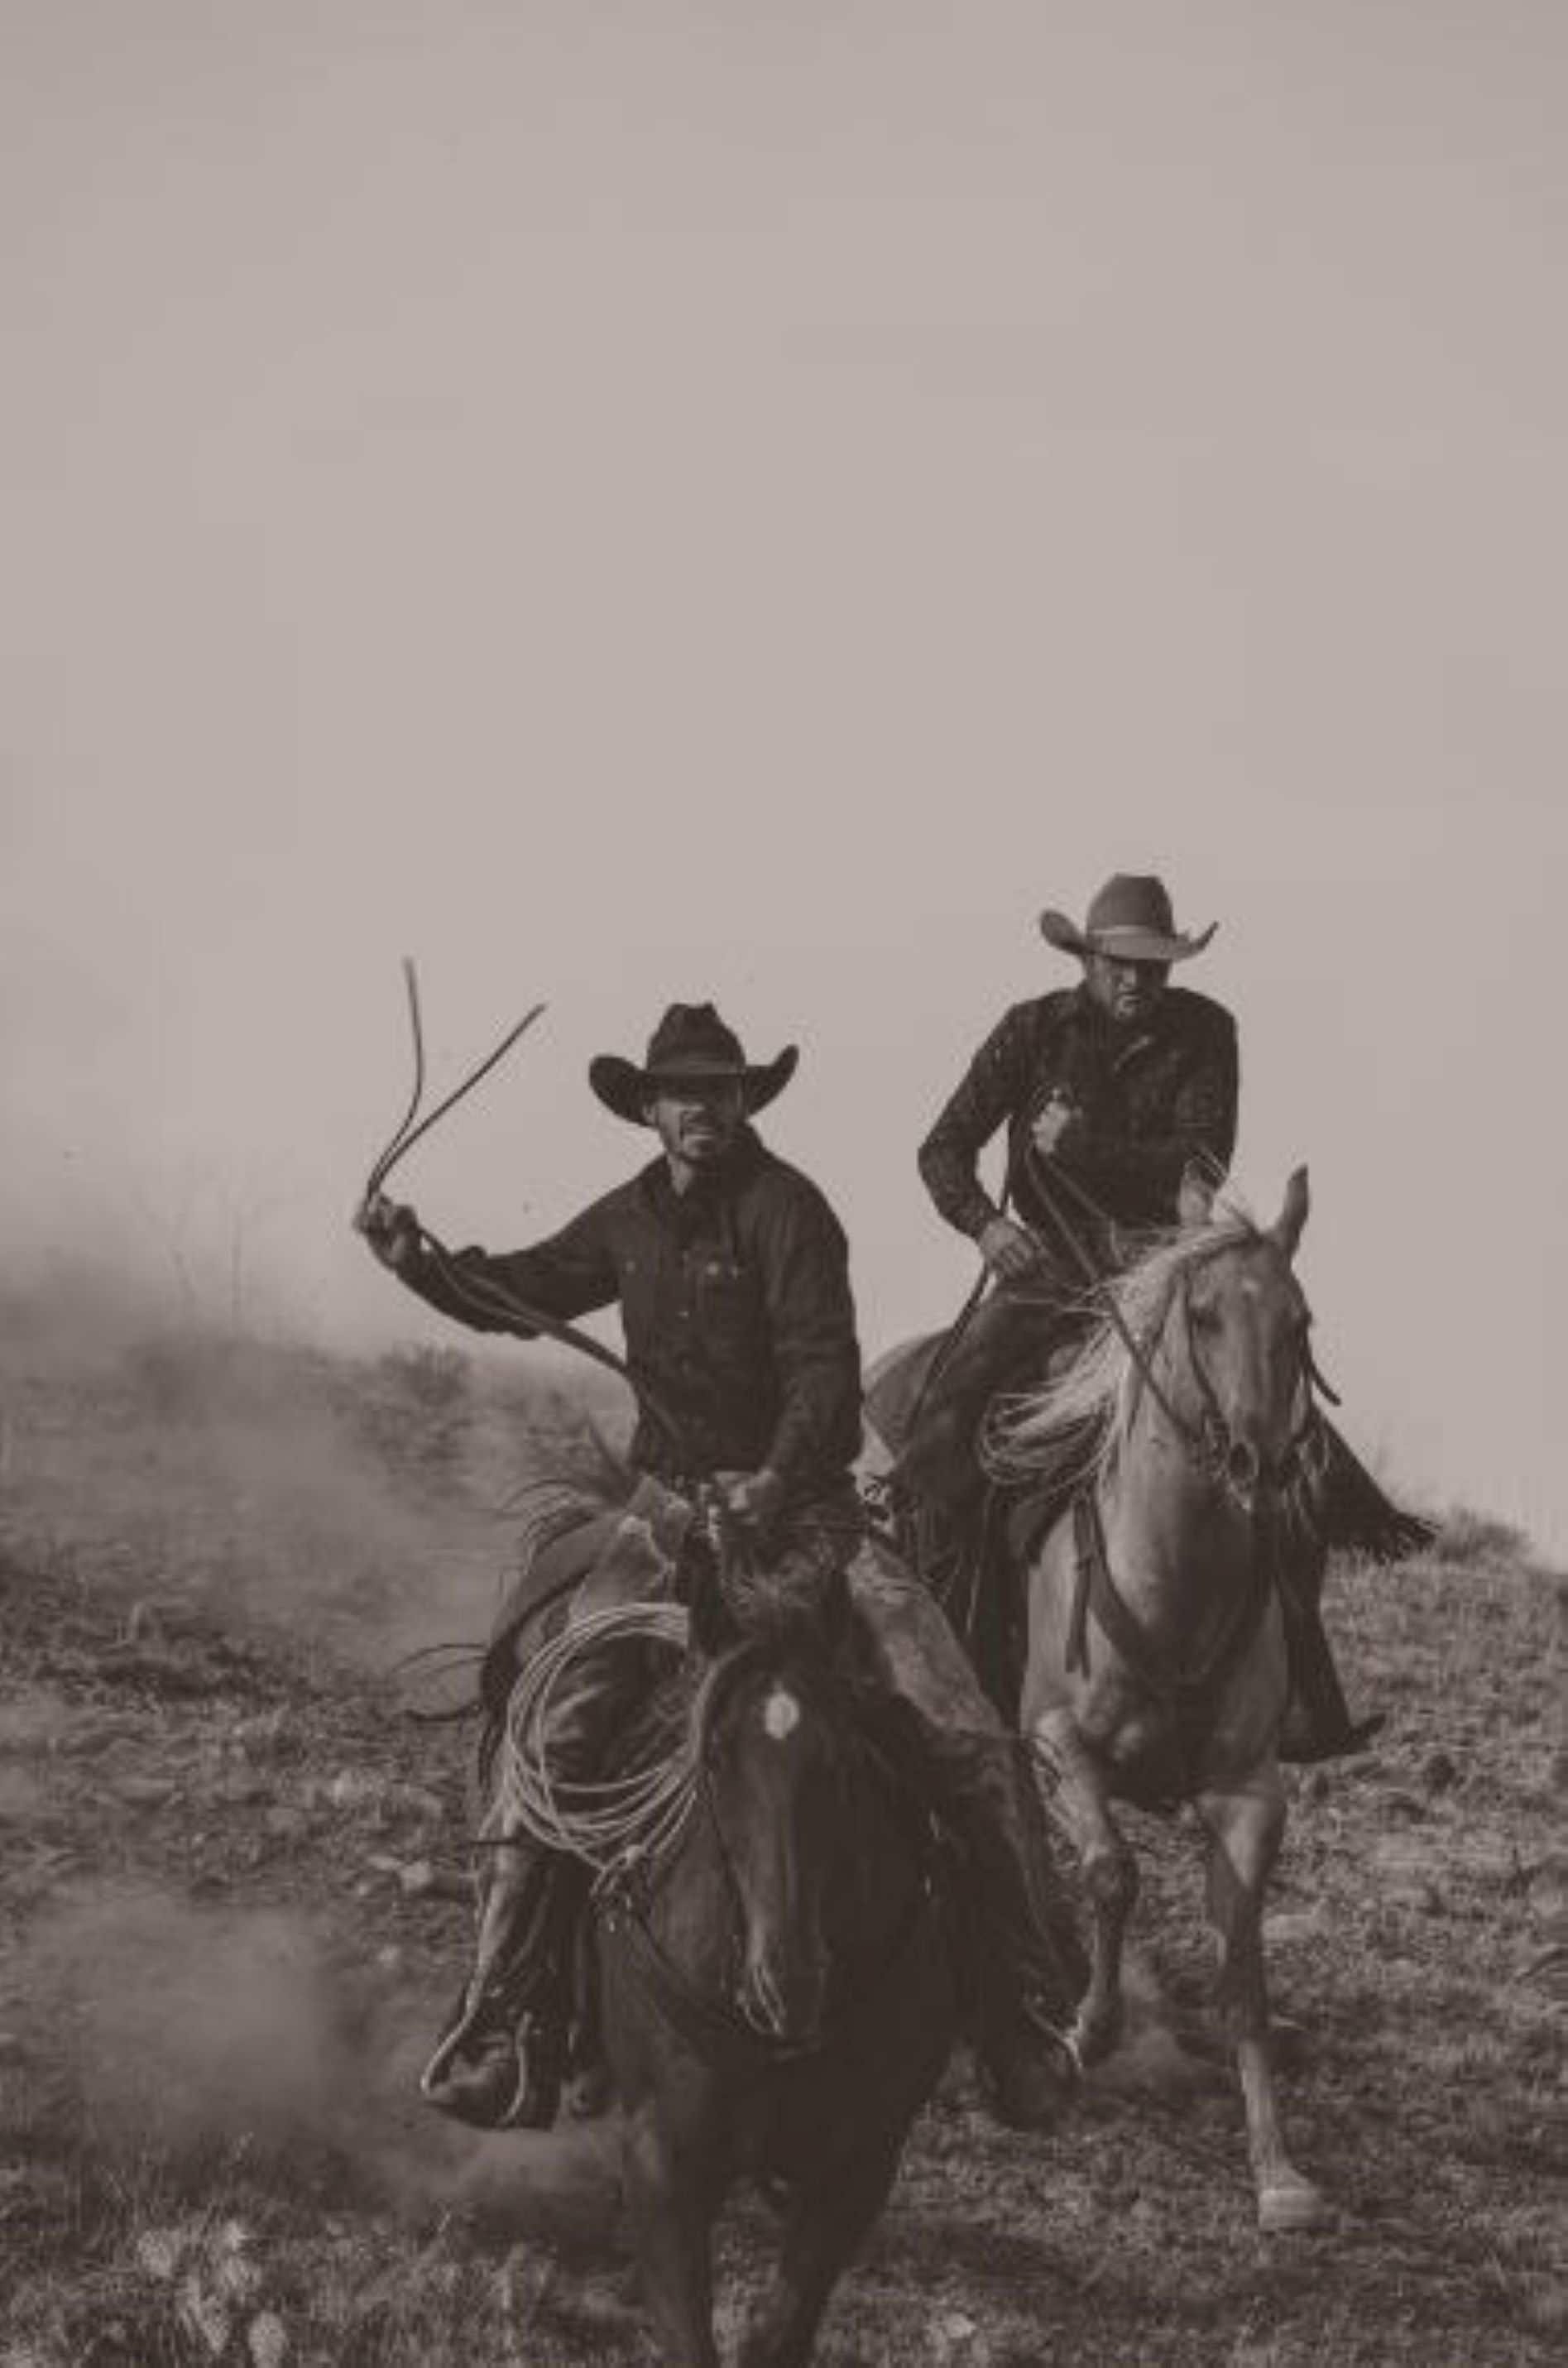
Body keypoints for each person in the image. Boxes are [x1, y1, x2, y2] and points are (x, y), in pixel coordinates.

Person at [358, 1000, 1081, 2131]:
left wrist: (774, 1478)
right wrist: (421, 1264)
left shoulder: (790, 1212)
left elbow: (823, 1372)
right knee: (549, 1740)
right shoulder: (626, 1217)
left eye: (720, 1089)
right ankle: (507, 2017)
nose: (702, 1108)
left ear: (744, 1101)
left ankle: (1016, 2018)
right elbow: (523, 1290)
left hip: (813, 1524)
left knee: (965, 1735)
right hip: (664, 1524)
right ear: (648, 1110)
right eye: (682, 1092)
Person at [899, 873, 1427, 1758]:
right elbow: (942, 1148)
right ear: (1086, 958)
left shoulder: (1206, 1032)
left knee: (1293, 1457)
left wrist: (1081, 1145)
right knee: (937, 1446)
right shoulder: (1030, 1030)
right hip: (1045, 1266)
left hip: (1163, 1269)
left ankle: (1305, 1689)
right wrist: (987, 1226)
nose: (1136, 979)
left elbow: (1198, 1161)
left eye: (1153, 964)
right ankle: (945, 1660)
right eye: (1120, 963)